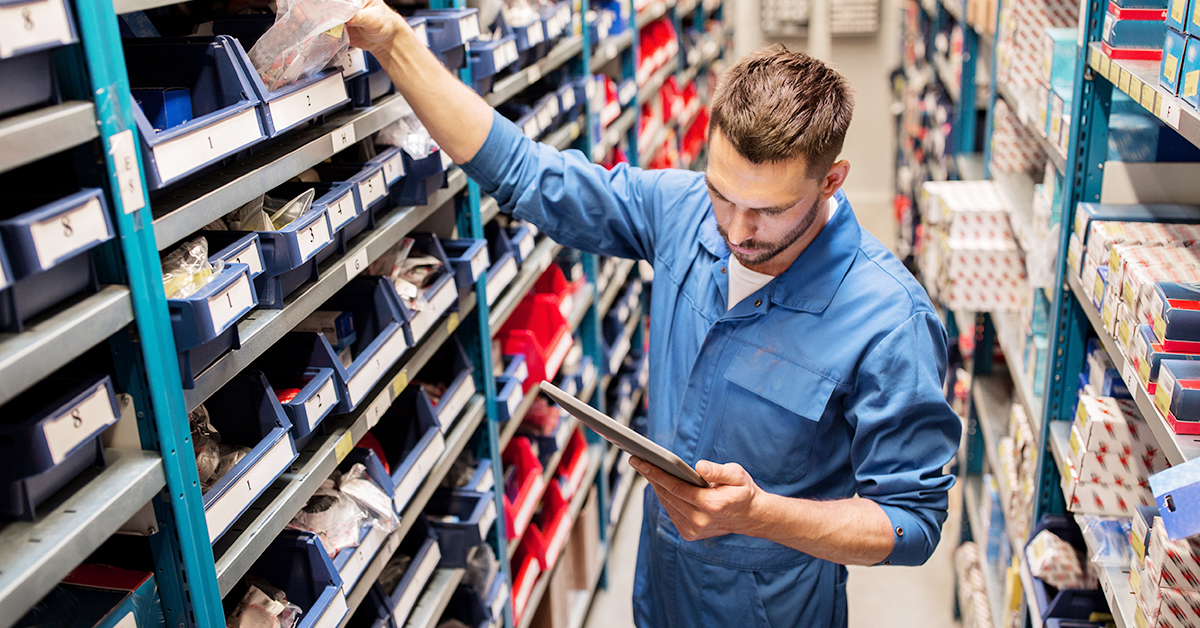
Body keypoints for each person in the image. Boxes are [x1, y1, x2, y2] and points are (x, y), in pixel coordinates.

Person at [347, 5, 961, 626]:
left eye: (768, 210)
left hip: (774, 612)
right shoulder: (683, 211)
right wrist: (393, 39)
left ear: (831, 181)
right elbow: (523, 170)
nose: (736, 230)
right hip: (663, 591)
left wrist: (761, 515)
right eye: (723, 192)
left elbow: (912, 521)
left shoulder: (888, 319)